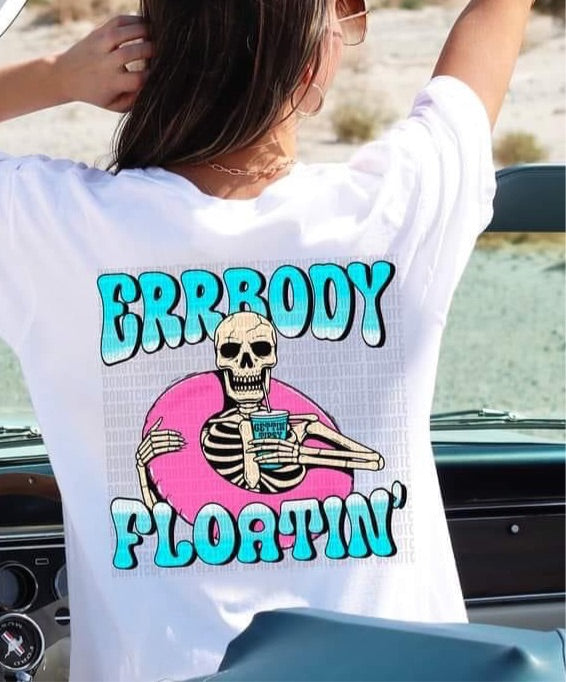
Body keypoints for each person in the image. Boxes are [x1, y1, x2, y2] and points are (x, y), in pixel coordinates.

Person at [0, 0, 534, 680]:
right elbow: (494, 20)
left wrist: (56, 75)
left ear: (149, 52)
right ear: (312, 62)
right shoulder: (398, 210)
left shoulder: (52, 227)